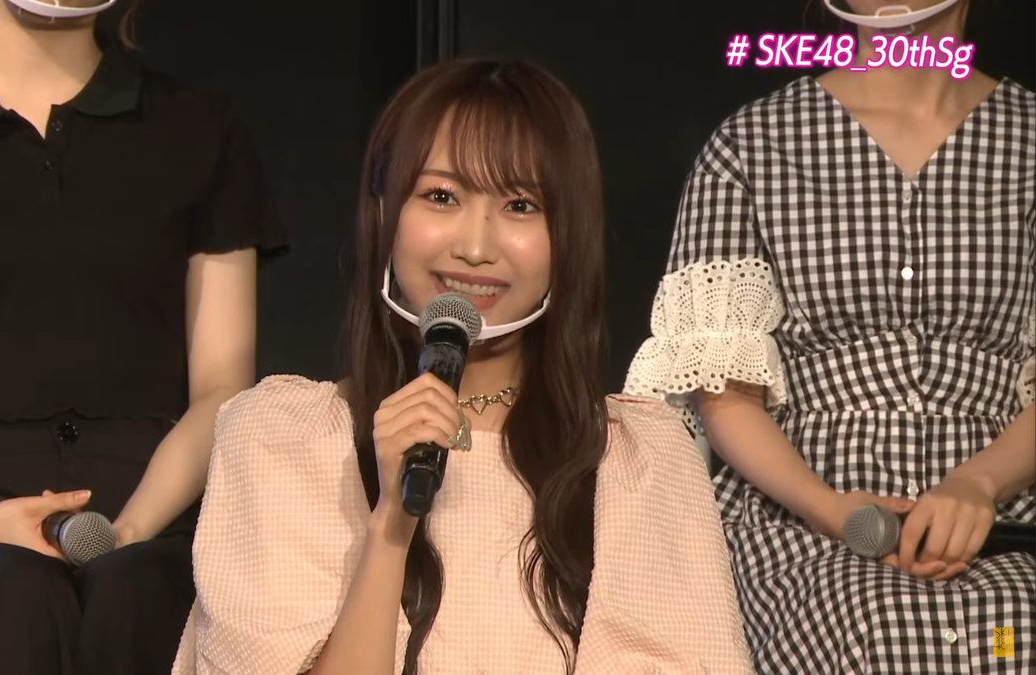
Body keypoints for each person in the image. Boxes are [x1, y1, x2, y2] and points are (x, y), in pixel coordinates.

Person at [170, 57, 753, 675]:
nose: (474, 248)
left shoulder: (640, 457)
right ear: (384, 212)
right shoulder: (280, 438)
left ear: (568, 236)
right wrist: (391, 526)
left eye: (520, 205)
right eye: (441, 196)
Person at [0, 0, 285, 672]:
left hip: (148, 520)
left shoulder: (200, 130)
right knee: (11, 598)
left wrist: (128, 531)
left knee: (137, 598)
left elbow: (222, 388)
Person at [623, 0, 1035, 672]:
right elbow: (723, 391)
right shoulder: (751, 147)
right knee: (876, 624)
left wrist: (978, 483)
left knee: (1011, 630)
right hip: (804, 519)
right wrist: (832, 510)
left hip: (1008, 518)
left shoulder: (1027, 137)